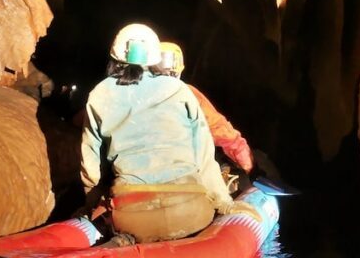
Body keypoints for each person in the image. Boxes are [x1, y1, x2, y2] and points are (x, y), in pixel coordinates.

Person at [80, 23, 250, 245]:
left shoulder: (99, 95)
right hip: (191, 213)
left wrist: (92, 206)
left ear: (114, 58)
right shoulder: (180, 90)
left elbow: (90, 164)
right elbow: (205, 158)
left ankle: (121, 241)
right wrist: (224, 202)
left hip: (131, 218)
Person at [154, 42, 255, 193]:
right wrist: (251, 169)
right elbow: (223, 132)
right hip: (181, 182)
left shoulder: (126, 94)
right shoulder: (187, 94)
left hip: (134, 183)